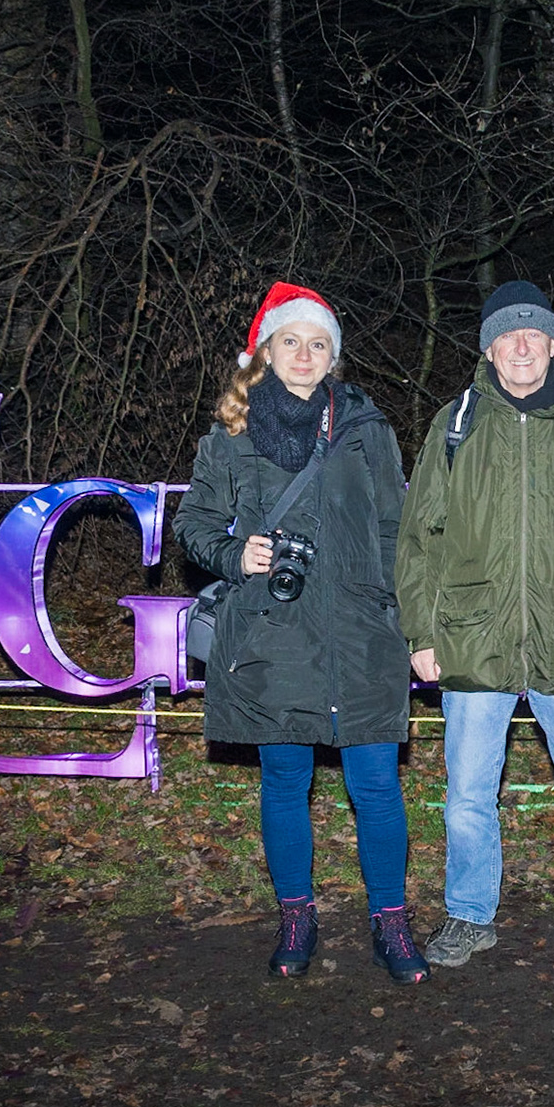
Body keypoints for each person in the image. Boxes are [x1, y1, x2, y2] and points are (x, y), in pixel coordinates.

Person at [174, 282, 428, 984]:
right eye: (292, 341)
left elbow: (395, 528)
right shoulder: (230, 436)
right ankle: (296, 914)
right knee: (286, 779)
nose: (305, 354)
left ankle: (391, 920)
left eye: (319, 344)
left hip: (360, 630)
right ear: (267, 351)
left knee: (376, 782)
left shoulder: (366, 429)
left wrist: (401, 617)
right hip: (274, 630)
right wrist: (236, 554)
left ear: (333, 357)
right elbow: (193, 524)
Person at [395, 281, 554, 968]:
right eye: (508, 334)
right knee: (468, 796)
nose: (522, 346)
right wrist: (422, 634)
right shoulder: (456, 423)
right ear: (488, 349)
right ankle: (470, 914)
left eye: (534, 333)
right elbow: (418, 537)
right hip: (474, 635)